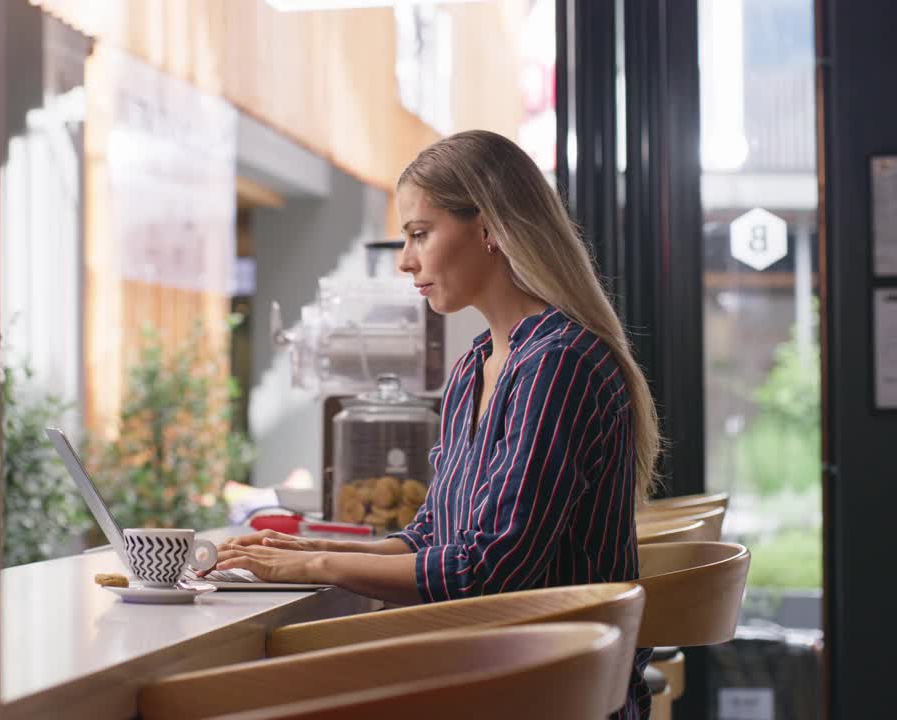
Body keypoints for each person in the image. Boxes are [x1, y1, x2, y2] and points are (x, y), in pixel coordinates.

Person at [214, 130, 661, 718]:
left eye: (420, 234)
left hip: (542, 694)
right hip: (492, 675)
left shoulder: (558, 365)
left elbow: (490, 570)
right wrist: (306, 546)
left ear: (489, 228)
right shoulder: (477, 366)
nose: (405, 260)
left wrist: (314, 565)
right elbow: (433, 538)